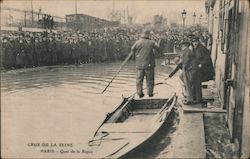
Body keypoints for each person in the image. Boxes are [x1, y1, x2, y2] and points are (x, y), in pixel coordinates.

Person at [131, 30, 160, 98]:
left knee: (139, 79)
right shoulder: (151, 42)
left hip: (139, 65)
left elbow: (132, 49)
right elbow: (158, 47)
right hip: (149, 64)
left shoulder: (137, 42)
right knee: (150, 79)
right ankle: (150, 93)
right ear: (148, 35)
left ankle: (139, 92)